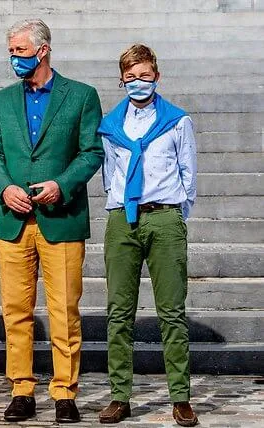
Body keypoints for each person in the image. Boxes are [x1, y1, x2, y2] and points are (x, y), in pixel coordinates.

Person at [0, 19, 104, 424]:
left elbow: (91, 152)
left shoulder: (82, 96)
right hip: (13, 221)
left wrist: (62, 184)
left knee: (64, 309)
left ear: (43, 50)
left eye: (19, 50)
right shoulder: (2, 101)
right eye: (11, 51)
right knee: (15, 310)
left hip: (61, 219)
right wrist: (3, 188)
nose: (13, 58)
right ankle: (21, 389)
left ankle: (65, 393)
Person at [97, 44, 198, 427]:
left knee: (172, 312)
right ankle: (120, 395)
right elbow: (109, 172)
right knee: (119, 313)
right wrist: (121, 207)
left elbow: (188, 173)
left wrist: (175, 213)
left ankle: (181, 397)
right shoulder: (111, 125)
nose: (138, 82)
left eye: (145, 76)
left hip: (164, 218)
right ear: (121, 79)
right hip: (123, 219)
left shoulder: (176, 121)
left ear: (156, 77)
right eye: (131, 76)